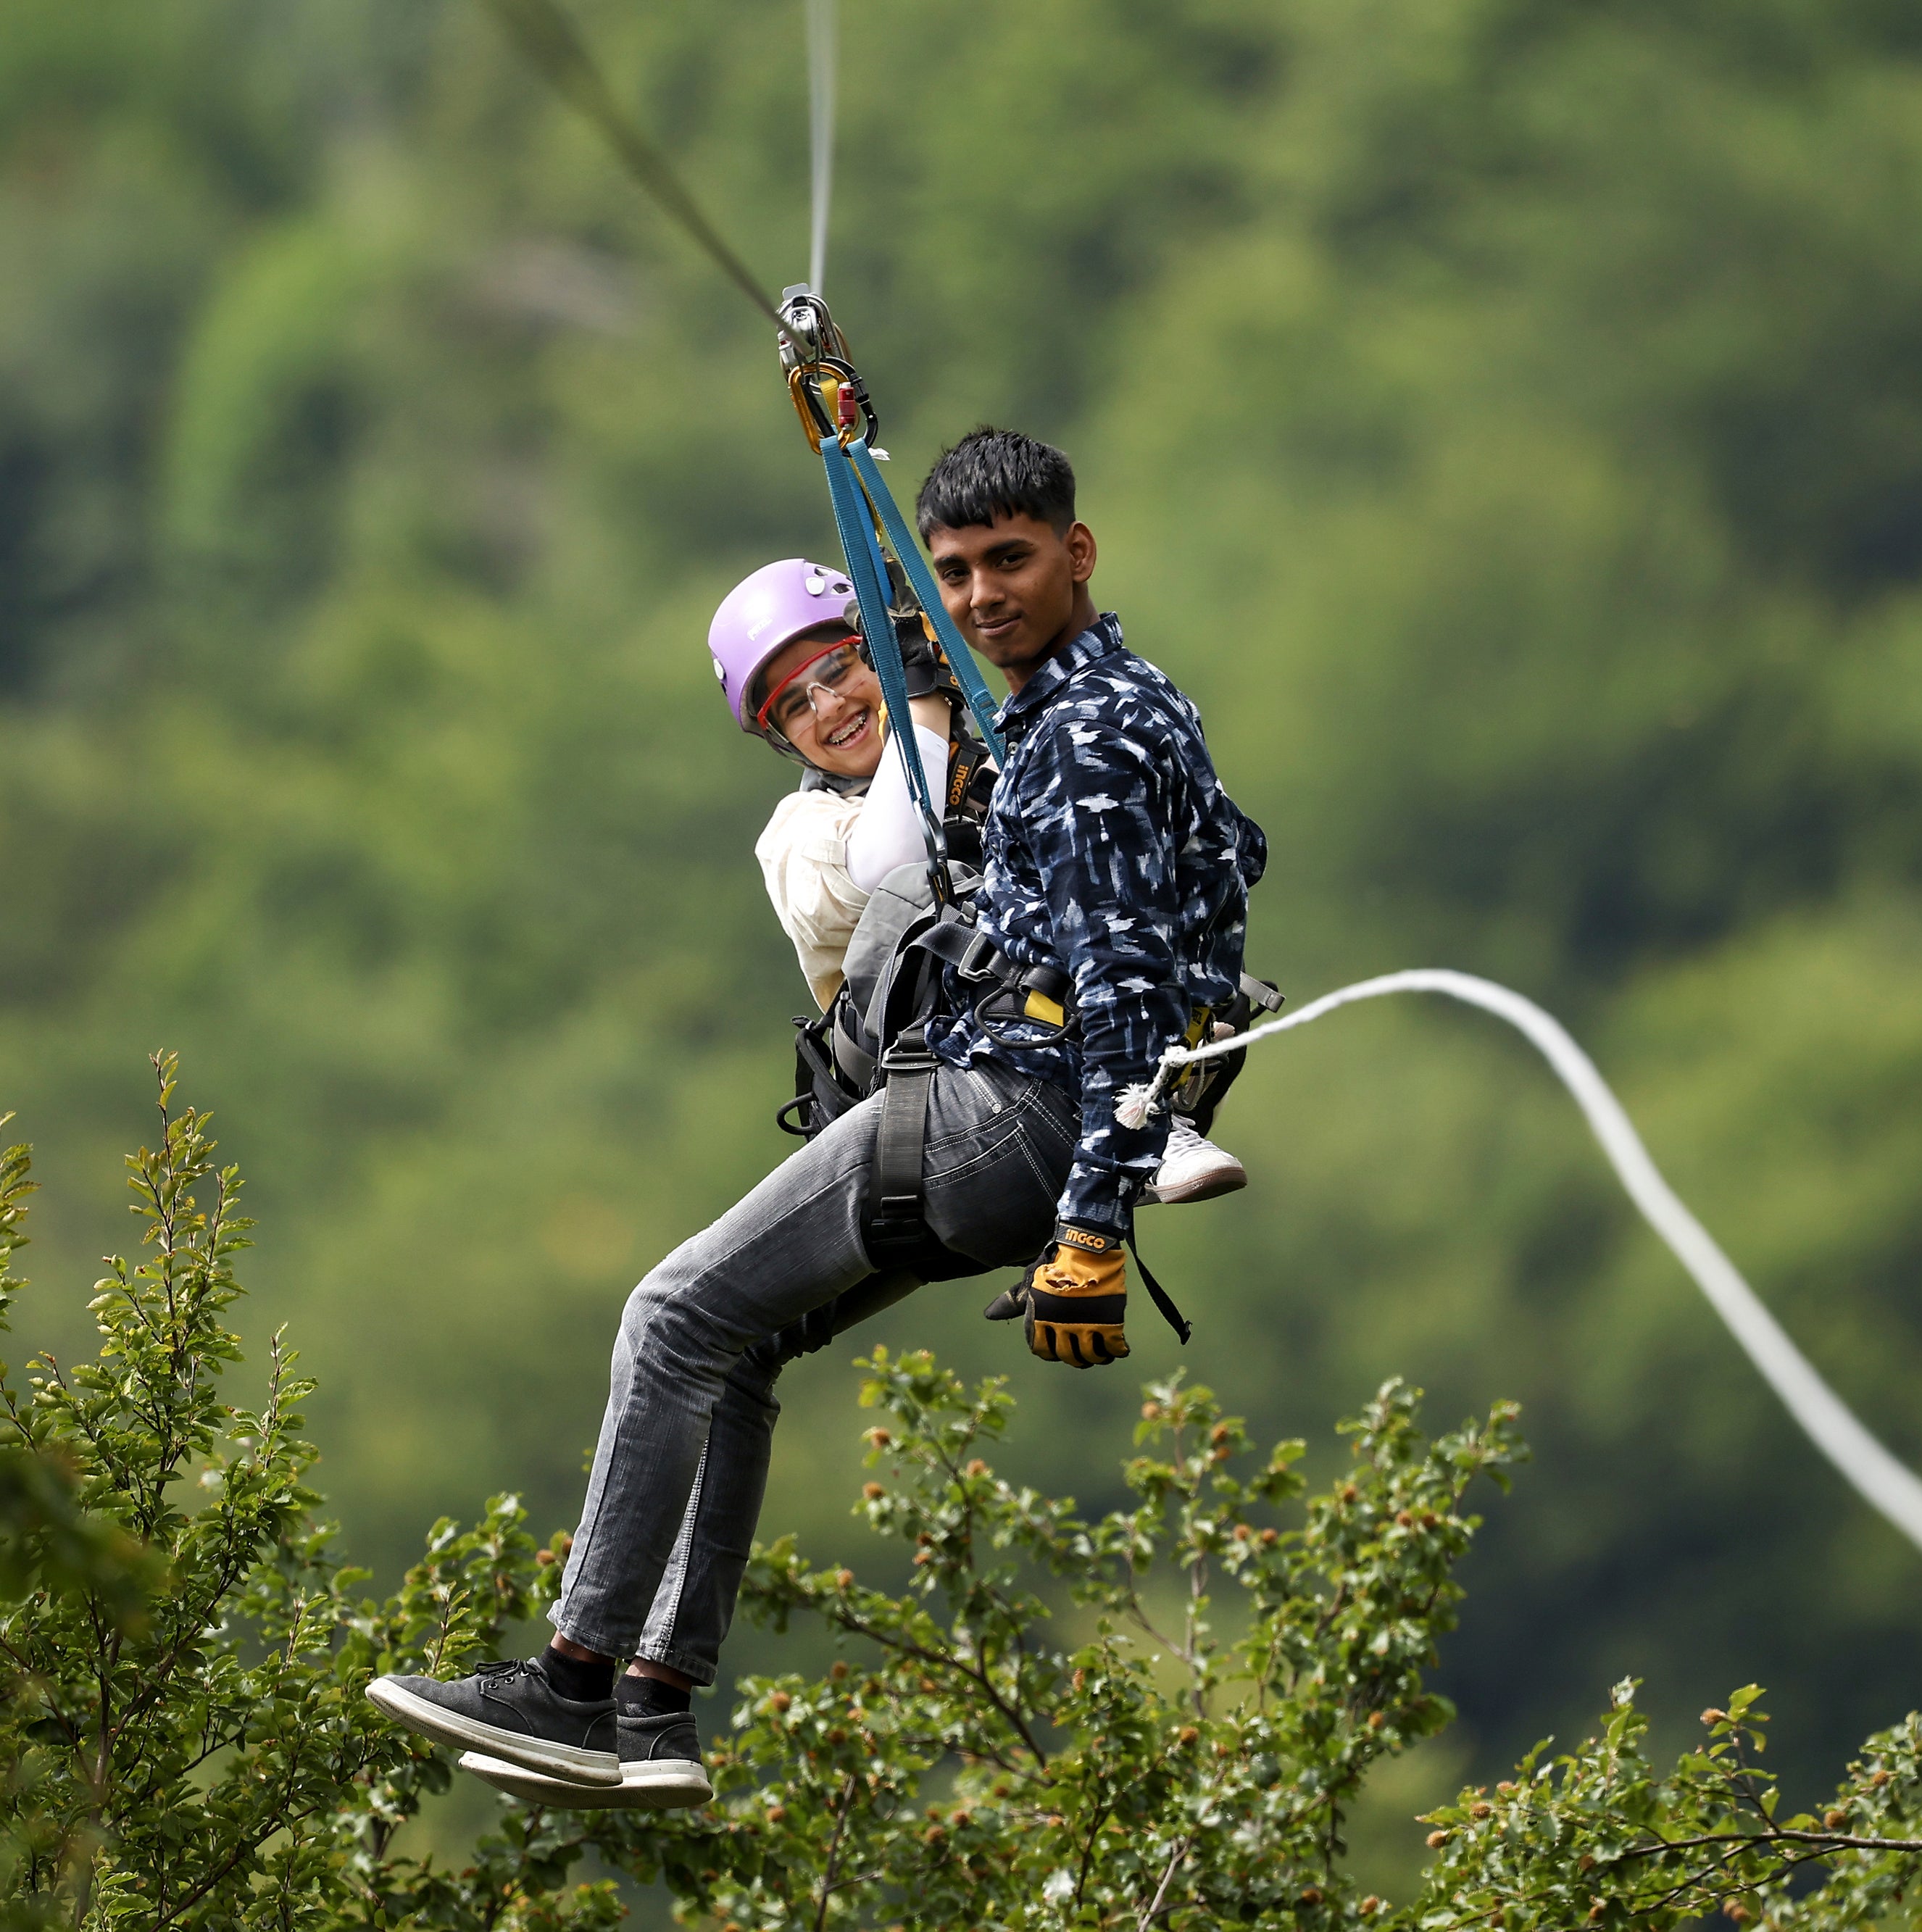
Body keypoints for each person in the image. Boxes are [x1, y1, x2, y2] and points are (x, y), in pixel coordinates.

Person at [367, 428, 1269, 1806]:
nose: (980, 596)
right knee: (735, 1349)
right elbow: (937, 667)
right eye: (957, 574)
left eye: (1009, 565)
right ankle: (655, 1708)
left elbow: (1129, 981)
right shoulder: (1061, 709)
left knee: (672, 1318)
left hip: (1005, 1111)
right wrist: (841, 424)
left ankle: (569, 1687)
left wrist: (1093, 1221)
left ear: (1075, 557)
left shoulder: (1074, 736)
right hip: (1006, 1122)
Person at [717, 559, 1246, 1202]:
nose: (830, 706)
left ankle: (1144, 1089)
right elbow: (892, 858)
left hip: (1042, 1053)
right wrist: (922, 695)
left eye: (839, 668)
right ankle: (1136, 1105)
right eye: (794, 704)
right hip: (929, 1092)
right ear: (783, 741)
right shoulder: (798, 835)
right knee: (937, 895)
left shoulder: (997, 762)